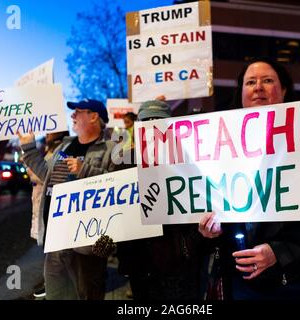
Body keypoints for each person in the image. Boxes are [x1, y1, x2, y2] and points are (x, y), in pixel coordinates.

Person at [198, 57, 300, 300]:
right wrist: (211, 230)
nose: (258, 87)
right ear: (241, 93)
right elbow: (216, 210)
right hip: (242, 286)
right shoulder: (219, 148)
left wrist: (280, 252)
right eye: (250, 82)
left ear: (283, 90)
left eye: (268, 80)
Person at [18, 99, 116, 300]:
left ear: (93, 116)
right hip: (57, 237)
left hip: (88, 242)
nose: (72, 116)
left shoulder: (111, 149)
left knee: (87, 293)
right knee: (57, 293)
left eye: (77, 112)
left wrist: (85, 170)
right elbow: (47, 175)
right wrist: (28, 147)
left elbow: (117, 186)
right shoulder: (66, 145)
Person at [116, 98, 210, 300]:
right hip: (140, 263)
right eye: (146, 121)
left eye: (158, 121)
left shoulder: (188, 162)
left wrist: (187, 247)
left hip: (178, 264)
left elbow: (202, 204)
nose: (152, 126)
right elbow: (118, 212)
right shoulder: (125, 163)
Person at [24, 130, 69, 299]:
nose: (47, 134)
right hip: (40, 196)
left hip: (48, 197)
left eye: (50, 132)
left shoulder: (61, 149)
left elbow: (46, 173)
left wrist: (29, 158)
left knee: (52, 246)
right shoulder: (50, 148)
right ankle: (51, 281)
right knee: (48, 246)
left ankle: (53, 283)